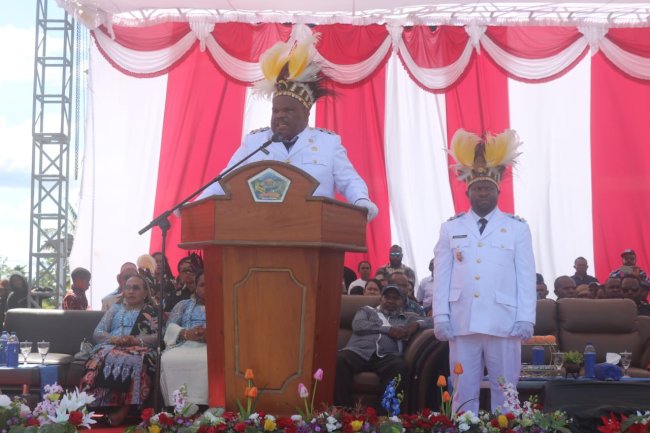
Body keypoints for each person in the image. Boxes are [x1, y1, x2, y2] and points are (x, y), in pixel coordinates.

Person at [195, 34, 377, 222]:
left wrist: (361, 200)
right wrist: (197, 204)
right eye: (276, 110)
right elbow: (225, 179)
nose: (280, 115)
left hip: (314, 231)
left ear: (306, 114)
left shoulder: (328, 144)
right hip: (260, 229)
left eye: (288, 110)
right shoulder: (255, 142)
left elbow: (350, 181)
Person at [432, 128, 536, 414]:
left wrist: (526, 317)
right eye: (478, 188)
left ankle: (509, 427)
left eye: (488, 188)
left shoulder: (517, 228)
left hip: (504, 321)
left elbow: (526, 277)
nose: (483, 193)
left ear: (498, 191)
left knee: (506, 389)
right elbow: (442, 276)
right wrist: (440, 315)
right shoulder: (451, 228)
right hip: (462, 321)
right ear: (468, 191)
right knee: (462, 387)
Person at [334, 284, 432, 412]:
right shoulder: (367, 310)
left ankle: (385, 418)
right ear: (381, 299)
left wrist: (416, 325)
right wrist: (389, 330)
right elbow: (358, 325)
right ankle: (343, 413)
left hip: (387, 355)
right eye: (387, 297)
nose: (390, 301)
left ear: (403, 302)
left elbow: (433, 321)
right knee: (339, 360)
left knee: (399, 367)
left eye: (396, 298)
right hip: (358, 351)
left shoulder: (408, 317)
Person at [80, 273, 159, 426]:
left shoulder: (152, 311)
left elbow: (158, 337)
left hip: (139, 347)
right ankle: (85, 411)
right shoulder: (115, 309)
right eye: (127, 288)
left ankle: (122, 412)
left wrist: (135, 340)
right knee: (98, 358)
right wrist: (113, 339)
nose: (130, 291)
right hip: (111, 345)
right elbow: (98, 332)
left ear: (145, 293)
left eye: (136, 288)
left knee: (137, 360)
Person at [160, 270, 208, 406]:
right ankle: (177, 405)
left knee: (208, 360)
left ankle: (206, 405)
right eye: (203, 285)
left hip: (212, 347)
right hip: (184, 345)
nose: (207, 288)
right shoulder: (183, 304)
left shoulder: (226, 303)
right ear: (196, 287)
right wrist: (186, 333)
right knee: (168, 359)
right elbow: (169, 328)